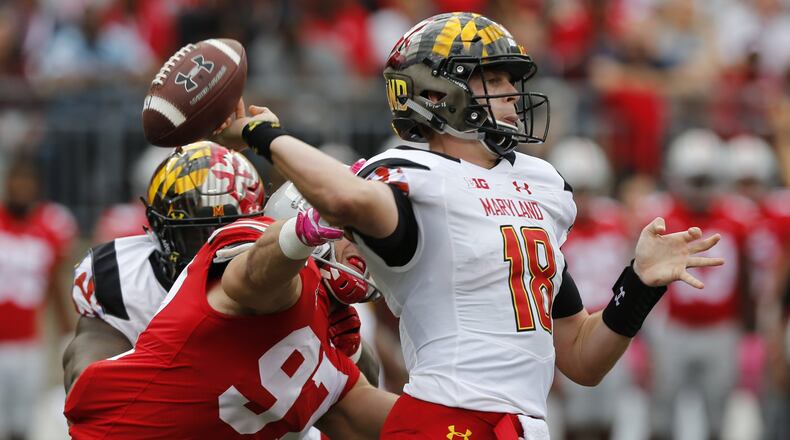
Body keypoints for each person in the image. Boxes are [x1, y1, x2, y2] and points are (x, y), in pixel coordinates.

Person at [213, 11, 725, 439]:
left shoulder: (540, 184)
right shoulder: (412, 176)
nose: (511, 91)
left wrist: (638, 283)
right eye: (494, 78)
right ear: (437, 91)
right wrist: (264, 134)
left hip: (518, 422)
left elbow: (581, 358)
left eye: (510, 79)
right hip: (452, 416)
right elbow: (344, 195)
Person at [64, 141, 396, 438]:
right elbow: (255, 274)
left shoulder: (335, 329)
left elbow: (368, 414)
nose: (206, 247)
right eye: (195, 236)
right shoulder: (228, 264)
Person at [642, 129, 752, 439]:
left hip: (721, 327)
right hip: (673, 327)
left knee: (718, 414)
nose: (701, 188)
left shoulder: (738, 217)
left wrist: (747, 322)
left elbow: (746, 276)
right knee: (661, 414)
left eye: (707, 180)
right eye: (695, 179)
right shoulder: (660, 218)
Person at [0, 155, 77, 440]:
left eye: (27, 182)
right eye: (16, 181)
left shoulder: (49, 227)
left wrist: (69, 333)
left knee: (25, 422)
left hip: (28, 343)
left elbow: (54, 285)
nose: (21, 187)